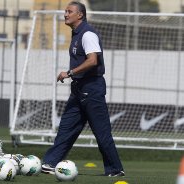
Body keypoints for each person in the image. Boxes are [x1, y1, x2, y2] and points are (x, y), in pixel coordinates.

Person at [41, 1, 124, 177]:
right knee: (66, 128)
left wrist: (69, 72)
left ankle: (115, 169)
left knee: (101, 133)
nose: (65, 14)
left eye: (69, 11)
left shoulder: (88, 34)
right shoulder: (77, 34)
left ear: (80, 15)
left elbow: (92, 60)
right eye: (65, 11)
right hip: (78, 89)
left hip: (92, 88)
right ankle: (50, 163)